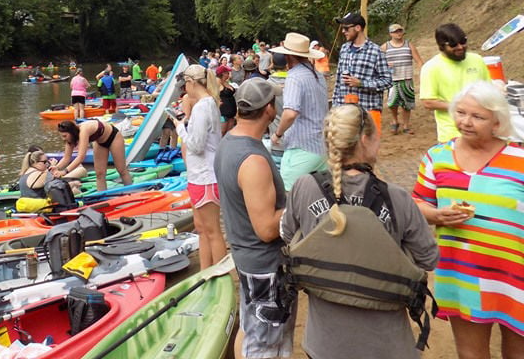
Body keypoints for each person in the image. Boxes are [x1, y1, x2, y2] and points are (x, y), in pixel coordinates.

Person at [281, 103, 439, 359]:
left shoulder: (303, 188)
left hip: (324, 344)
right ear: (365, 140)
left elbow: (289, 238)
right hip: (387, 346)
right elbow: (428, 258)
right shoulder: (397, 199)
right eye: (376, 136)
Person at [412, 81, 524, 359]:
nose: (466, 122)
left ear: (497, 122)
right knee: (471, 353)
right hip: (462, 273)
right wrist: (437, 215)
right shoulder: (437, 157)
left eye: (477, 116)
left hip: (516, 274)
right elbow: (417, 203)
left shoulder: (519, 158)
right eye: (461, 113)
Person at [214, 78, 294, 359]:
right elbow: (267, 229)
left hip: (245, 257)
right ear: (269, 109)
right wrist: (300, 204)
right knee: (266, 344)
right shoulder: (253, 160)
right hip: (265, 266)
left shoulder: (228, 143)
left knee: (250, 331)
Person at [173, 64, 226, 270]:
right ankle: (205, 274)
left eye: (185, 83)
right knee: (201, 229)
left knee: (212, 231)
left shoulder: (204, 106)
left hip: (206, 176)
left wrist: (180, 128)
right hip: (198, 176)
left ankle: (221, 275)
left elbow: (196, 145)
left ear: (191, 82)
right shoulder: (206, 104)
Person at [270, 32, 330, 190]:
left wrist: (277, 134)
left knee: (289, 194)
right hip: (321, 146)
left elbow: (290, 113)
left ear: (288, 57)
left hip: (301, 147)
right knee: (321, 196)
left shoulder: (294, 77)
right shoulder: (317, 75)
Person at [419, 22, 490, 142]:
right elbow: (428, 102)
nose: (460, 47)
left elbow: (488, 88)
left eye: (463, 42)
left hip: (482, 131)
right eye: (453, 45)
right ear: (441, 46)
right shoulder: (431, 67)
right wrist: (462, 108)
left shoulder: (477, 60)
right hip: (452, 134)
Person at [332, 12, 392, 131]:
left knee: (367, 149)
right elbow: (338, 82)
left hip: (368, 112)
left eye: (346, 28)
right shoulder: (344, 49)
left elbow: (387, 81)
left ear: (358, 28)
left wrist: (362, 83)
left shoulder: (376, 51)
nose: (343, 31)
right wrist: (334, 109)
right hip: (345, 113)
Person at [54, 119, 131, 191]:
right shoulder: (70, 139)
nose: (63, 139)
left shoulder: (83, 130)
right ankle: (102, 197)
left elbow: (81, 157)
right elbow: (66, 158)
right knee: (99, 174)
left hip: (113, 137)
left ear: (71, 132)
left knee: (121, 170)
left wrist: (64, 171)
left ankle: (130, 192)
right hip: (100, 142)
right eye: (61, 136)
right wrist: (56, 168)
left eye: (64, 136)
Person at [380, 23, 424, 135]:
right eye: (395, 31)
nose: (398, 33)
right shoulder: (385, 47)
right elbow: (378, 62)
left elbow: (419, 60)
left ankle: (406, 126)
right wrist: (385, 66)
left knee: (407, 103)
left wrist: (424, 72)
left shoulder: (409, 45)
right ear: (390, 34)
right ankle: (395, 121)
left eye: (400, 31)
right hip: (392, 79)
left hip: (407, 78)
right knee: (392, 103)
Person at [215, 65, 237, 135]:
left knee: (229, 132)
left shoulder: (226, 82)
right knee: (222, 131)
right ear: (223, 73)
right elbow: (211, 92)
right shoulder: (217, 81)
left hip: (231, 111)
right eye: (227, 72)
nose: (229, 74)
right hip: (223, 111)